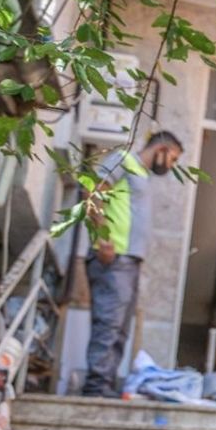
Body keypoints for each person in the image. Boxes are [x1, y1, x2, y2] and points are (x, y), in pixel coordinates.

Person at [82, 130, 183, 398]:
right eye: (172, 159)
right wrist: (103, 238)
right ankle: (95, 387)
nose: (171, 166)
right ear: (161, 148)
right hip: (113, 257)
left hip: (129, 260)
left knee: (120, 328)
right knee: (109, 323)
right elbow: (91, 190)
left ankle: (105, 384)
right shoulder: (124, 158)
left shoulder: (142, 174)